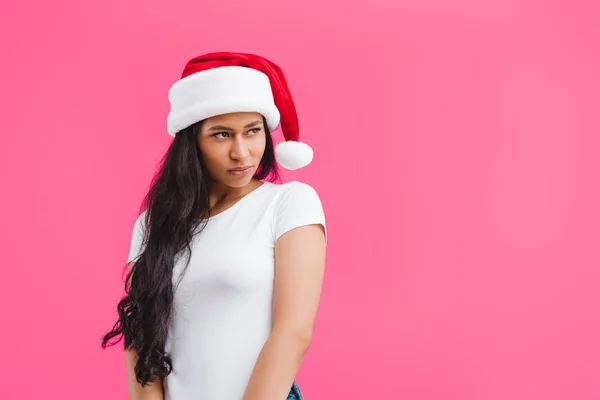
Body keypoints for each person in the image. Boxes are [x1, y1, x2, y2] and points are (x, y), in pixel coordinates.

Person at [101, 52, 327, 400]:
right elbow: (141, 338)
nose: (242, 153)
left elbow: (293, 332)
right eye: (222, 135)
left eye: (253, 132)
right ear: (192, 142)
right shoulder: (153, 224)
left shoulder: (289, 204)